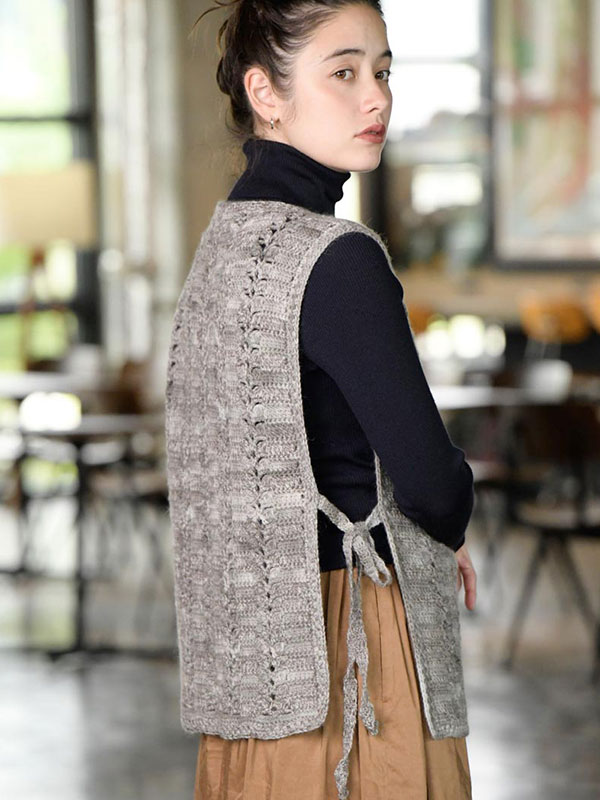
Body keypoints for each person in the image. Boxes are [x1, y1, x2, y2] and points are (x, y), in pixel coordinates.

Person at [164, 1, 478, 799]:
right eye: (343, 72)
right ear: (265, 92)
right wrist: (445, 520)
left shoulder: (225, 242)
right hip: (352, 660)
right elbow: (432, 484)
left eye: (383, 71)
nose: (376, 97)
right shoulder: (338, 258)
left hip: (256, 666)